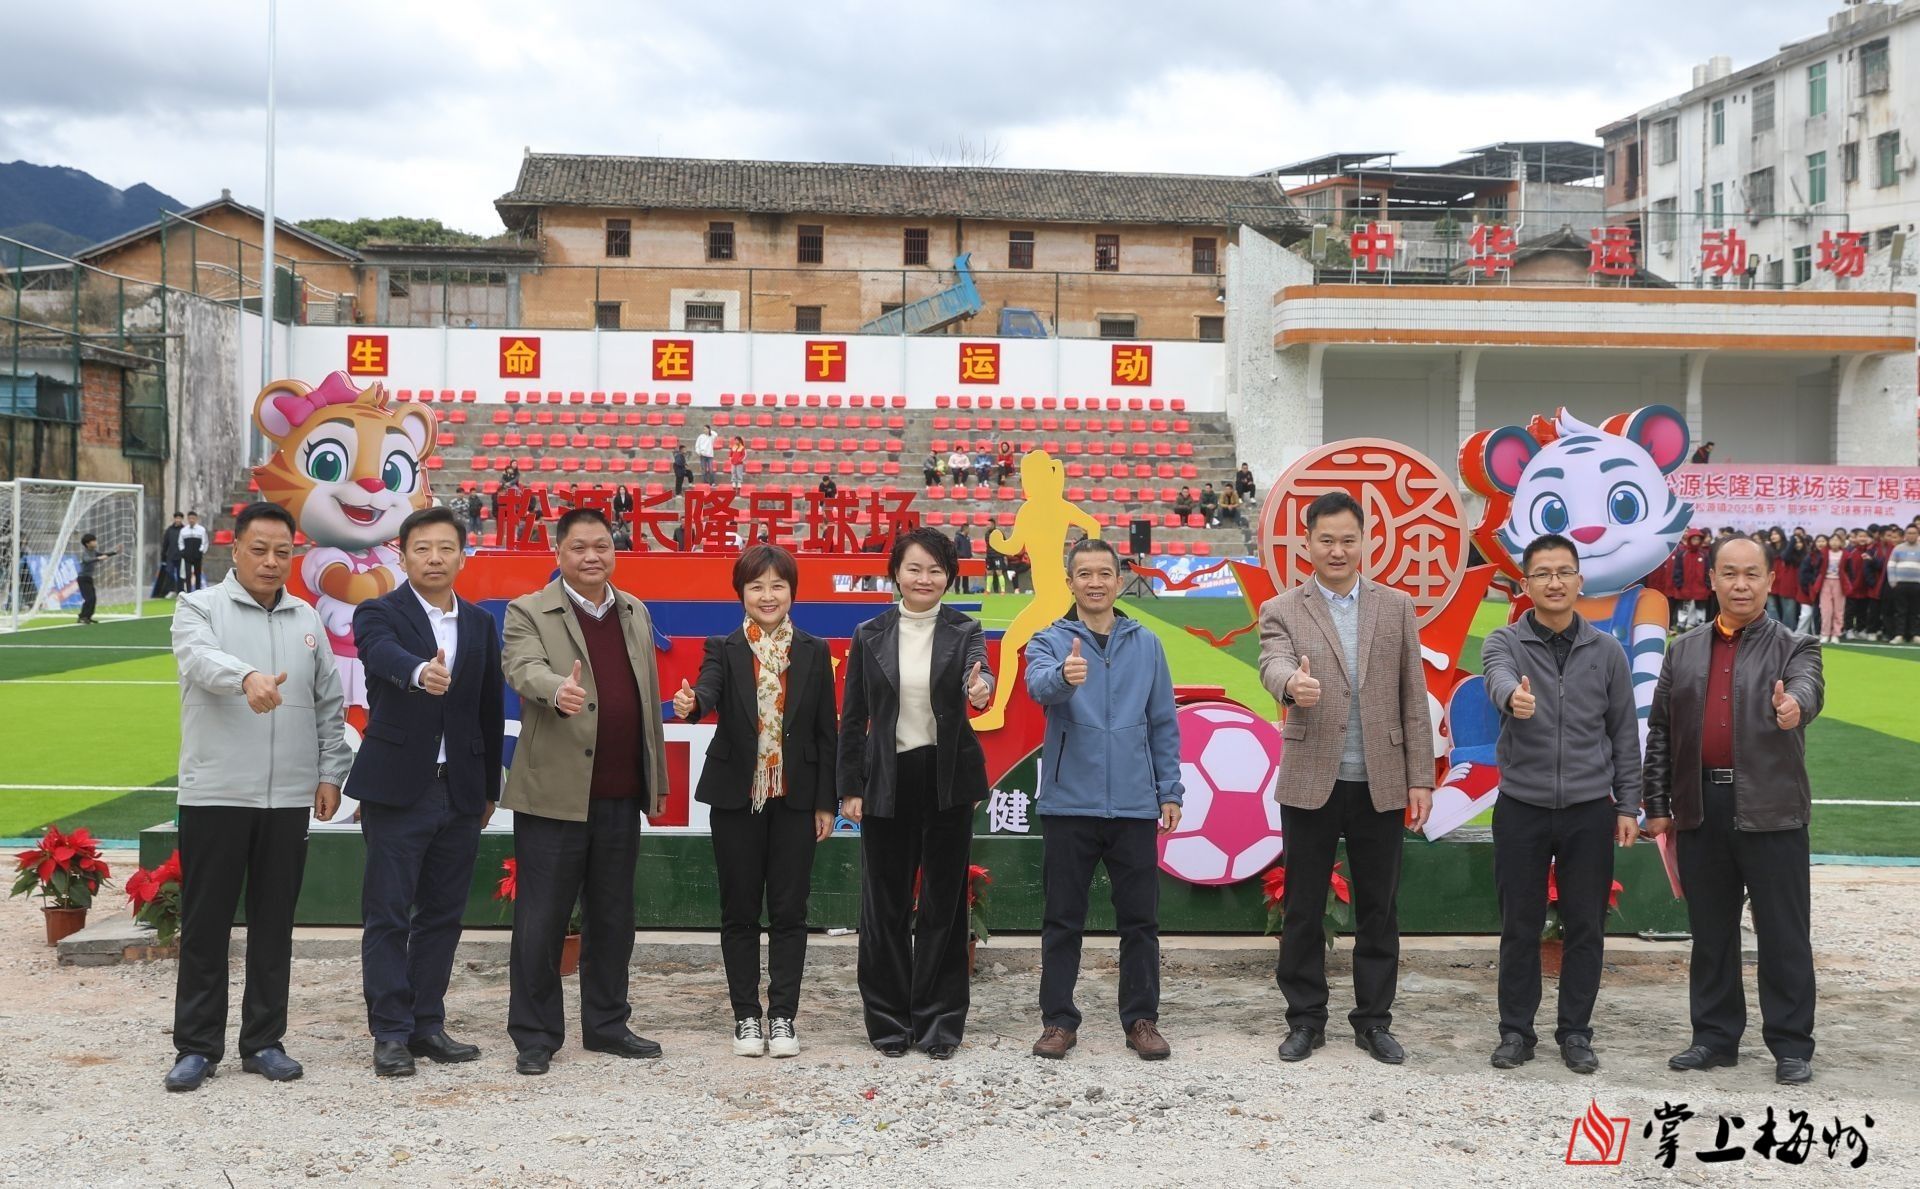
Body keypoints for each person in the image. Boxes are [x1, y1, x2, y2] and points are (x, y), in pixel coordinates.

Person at [164, 502, 353, 1092]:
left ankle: (264, 1041)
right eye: (260, 550)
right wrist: (245, 677)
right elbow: (198, 659)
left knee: (274, 926)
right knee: (206, 925)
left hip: (288, 798)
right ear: (236, 550)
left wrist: (330, 772)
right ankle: (197, 1047)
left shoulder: (307, 618)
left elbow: (328, 702)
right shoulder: (199, 607)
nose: (271, 562)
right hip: (217, 793)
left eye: (282, 552)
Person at [1257, 491, 1435, 1066]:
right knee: (1303, 906)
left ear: (1366, 543)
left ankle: (1374, 1021)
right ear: (1307, 544)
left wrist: (1421, 778)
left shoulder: (1395, 606)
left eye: (1348, 540)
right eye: (1326, 540)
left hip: (1381, 779)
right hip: (1312, 777)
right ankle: (1305, 1020)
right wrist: (1292, 685)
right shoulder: (1283, 608)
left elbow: (1413, 696)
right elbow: (1272, 663)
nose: (1337, 550)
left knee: (1379, 908)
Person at [1643, 534, 1822, 1085]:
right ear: (1712, 579)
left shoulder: (1796, 646)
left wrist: (1793, 706)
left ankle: (1791, 1044)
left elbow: (1808, 690)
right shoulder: (1683, 651)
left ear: (1770, 580)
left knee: (1783, 933)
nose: (1740, 585)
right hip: (1701, 808)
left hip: (1772, 809)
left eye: (1751, 574)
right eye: (1729, 573)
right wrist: (1657, 804)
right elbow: (1661, 733)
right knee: (1712, 932)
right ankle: (1715, 1038)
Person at [501, 507, 671, 1076]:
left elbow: (647, 701)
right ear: (559, 552)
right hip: (554, 795)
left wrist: (656, 781)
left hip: (621, 792)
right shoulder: (529, 610)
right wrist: (556, 690)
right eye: (579, 547)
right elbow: (521, 667)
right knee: (542, 920)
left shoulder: (634, 610)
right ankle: (535, 1034)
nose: (592, 556)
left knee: (613, 918)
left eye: (602, 545)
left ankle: (607, 1024)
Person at [347, 506, 504, 1078]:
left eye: (445, 548)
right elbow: (380, 653)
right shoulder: (378, 612)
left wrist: (488, 788)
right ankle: (390, 1032)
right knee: (388, 914)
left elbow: (489, 708)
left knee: (442, 915)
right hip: (397, 791)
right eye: (422, 549)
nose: (434, 558)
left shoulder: (480, 623)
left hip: (459, 792)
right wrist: (419, 672)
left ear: (463, 556)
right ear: (403, 555)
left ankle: (426, 1023)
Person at [1479, 534, 1644, 1075]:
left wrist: (1628, 805)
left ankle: (1575, 1032)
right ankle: (1515, 1032)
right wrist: (1513, 697)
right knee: (1519, 925)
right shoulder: (1504, 642)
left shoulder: (1608, 652)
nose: (1554, 582)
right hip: (1522, 806)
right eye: (1542, 573)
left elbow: (1624, 734)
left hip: (1589, 808)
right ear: (1525, 584)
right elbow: (1498, 678)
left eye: (1563, 572)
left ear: (1579, 580)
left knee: (1586, 926)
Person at [672, 545, 838, 1058]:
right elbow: (708, 690)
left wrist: (826, 802)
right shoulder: (723, 647)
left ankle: (783, 1017)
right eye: (756, 586)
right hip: (736, 798)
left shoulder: (813, 650)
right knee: (740, 912)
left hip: (796, 799)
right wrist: (692, 703)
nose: (767, 596)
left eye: (777, 586)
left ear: (792, 592)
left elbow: (826, 732)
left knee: (790, 912)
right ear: (741, 593)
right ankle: (746, 1017)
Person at [1021, 537, 1183, 1062]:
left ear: (1119, 580)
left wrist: (1169, 790)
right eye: (1084, 574)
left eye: (1104, 573)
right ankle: (1058, 1021)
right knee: (1062, 920)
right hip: (1069, 804)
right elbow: (1037, 687)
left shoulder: (1147, 644)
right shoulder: (1050, 640)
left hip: (1135, 805)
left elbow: (1163, 723)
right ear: (1070, 582)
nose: (1095, 582)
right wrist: (1064, 678)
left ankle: (1141, 1019)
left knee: (1140, 922)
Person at [839, 527, 995, 1059]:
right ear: (896, 573)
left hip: (947, 779)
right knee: (883, 905)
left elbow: (980, 680)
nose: (924, 578)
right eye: (914, 568)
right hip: (886, 777)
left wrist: (980, 690)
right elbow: (853, 716)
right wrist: (850, 787)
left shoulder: (965, 629)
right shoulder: (869, 634)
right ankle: (888, 1021)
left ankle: (939, 1023)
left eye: (935, 570)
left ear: (949, 577)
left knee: (943, 905)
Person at [1840, 528, 1879, 640]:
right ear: (1855, 538)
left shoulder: (1871, 552)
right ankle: (1849, 629)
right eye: (1860, 536)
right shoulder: (1850, 552)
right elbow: (1845, 570)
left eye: (1865, 536)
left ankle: (1860, 629)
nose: (1863, 538)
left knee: (1863, 610)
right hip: (1852, 588)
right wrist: (1849, 584)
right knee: (1850, 611)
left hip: (1865, 588)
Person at [1886, 524, 1920, 644]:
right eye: (1909, 533)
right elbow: (1891, 565)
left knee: (1915, 611)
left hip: (1917, 584)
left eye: (1914, 533)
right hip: (1900, 584)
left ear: (1918, 535)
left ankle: (1915, 635)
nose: (1911, 535)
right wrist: (1892, 581)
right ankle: (1899, 635)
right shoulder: (1898, 548)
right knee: (1900, 611)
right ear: (1905, 535)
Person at [75, 532, 118, 625]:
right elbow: (87, 560)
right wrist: (99, 558)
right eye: (93, 541)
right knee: (89, 598)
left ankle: (88, 617)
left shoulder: (94, 551)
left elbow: (104, 554)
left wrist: (115, 552)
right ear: (87, 544)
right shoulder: (85, 553)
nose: (95, 542)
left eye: (95, 540)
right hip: (82, 579)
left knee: (93, 598)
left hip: (89, 578)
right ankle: (82, 617)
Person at [1801, 535, 1835, 640]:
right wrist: (1814, 581)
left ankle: (1832, 632)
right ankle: (1817, 632)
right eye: (1818, 541)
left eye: (1823, 541)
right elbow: (1804, 573)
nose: (1820, 543)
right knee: (1816, 610)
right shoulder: (1811, 556)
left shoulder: (1832, 555)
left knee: (1831, 610)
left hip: (1831, 587)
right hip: (1816, 588)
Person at [1766, 527, 1797, 626]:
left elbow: (1786, 557)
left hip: (1785, 580)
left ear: (1781, 534)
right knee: (1771, 607)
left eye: (1775, 534)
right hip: (1771, 580)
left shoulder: (1788, 547)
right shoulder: (1768, 549)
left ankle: (1788, 631)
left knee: (1788, 608)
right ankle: (1774, 630)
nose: (1773, 536)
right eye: (1771, 534)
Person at [154, 511, 185, 599]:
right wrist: (163, 555)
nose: (178, 520)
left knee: (180, 575)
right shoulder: (169, 530)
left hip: (181, 556)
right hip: (170, 556)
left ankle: (180, 591)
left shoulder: (184, 530)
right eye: (176, 518)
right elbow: (165, 543)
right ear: (174, 519)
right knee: (169, 573)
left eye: (179, 518)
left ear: (182, 519)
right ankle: (172, 590)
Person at [178, 511, 209, 592]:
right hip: (187, 556)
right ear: (187, 519)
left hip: (197, 556)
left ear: (196, 519)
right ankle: (188, 592)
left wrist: (201, 551)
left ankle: (197, 591)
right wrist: (183, 552)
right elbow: (180, 542)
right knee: (187, 575)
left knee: (197, 574)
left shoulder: (201, 530)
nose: (191, 520)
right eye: (190, 518)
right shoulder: (183, 530)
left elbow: (205, 542)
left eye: (193, 518)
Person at [952, 526, 975, 594]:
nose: (969, 530)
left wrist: (970, 555)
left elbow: (968, 547)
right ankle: (957, 590)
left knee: (966, 574)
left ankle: (966, 589)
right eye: (968, 529)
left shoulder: (967, 538)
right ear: (965, 529)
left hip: (966, 559)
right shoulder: (957, 537)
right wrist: (959, 556)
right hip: (960, 559)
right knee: (958, 574)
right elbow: (956, 548)